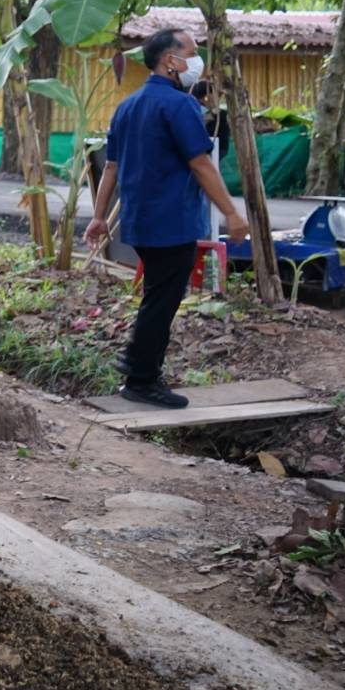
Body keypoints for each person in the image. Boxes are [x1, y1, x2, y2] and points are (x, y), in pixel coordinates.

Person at [86, 29, 248, 409]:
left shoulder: (126, 106)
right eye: (191, 53)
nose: (196, 60)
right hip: (172, 221)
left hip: (139, 222)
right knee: (162, 299)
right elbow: (200, 163)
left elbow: (110, 166)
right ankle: (140, 376)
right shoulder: (180, 106)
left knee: (157, 295)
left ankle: (139, 369)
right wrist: (230, 213)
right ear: (170, 62)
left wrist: (98, 217)